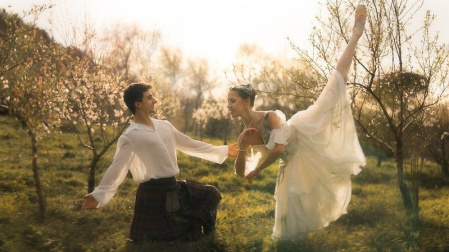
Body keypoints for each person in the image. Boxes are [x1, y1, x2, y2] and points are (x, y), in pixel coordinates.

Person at [227, 5, 367, 241]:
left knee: (335, 84)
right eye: (228, 101)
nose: (228, 105)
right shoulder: (247, 133)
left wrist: (258, 170)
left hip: (305, 132)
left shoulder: (269, 116)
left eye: (232, 100)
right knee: (291, 213)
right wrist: (241, 147)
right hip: (291, 160)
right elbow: (241, 174)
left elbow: (279, 148)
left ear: (247, 101)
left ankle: (356, 34)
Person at [82, 83, 238, 243]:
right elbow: (116, 169)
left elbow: (191, 144)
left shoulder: (165, 126)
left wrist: (224, 150)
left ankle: (207, 238)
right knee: (160, 240)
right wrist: (98, 195)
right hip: (152, 196)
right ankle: (190, 234)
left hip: (174, 188)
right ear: (138, 104)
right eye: (149, 97)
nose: (155, 100)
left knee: (211, 193)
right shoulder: (130, 136)